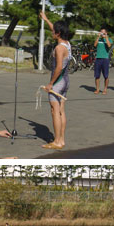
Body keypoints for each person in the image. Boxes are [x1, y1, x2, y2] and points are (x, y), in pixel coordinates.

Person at [40, 12, 71, 150]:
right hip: (65, 81)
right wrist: (47, 20)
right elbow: (56, 28)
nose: (52, 32)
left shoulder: (59, 48)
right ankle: (61, 140)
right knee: (61, 111)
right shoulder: (67, 43)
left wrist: (50, 83)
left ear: (58, 33)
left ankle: (57, 141)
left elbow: (58, 67)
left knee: (54, 110)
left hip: (58, 82)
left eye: (53, 31)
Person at [93, 28, 113, 95]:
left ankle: (105, 89)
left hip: (105, 59)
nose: (102, 34)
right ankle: (97, 89)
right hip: (98, 58)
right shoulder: (98, 39)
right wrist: (98, 37)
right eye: (101, 32)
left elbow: (109, 45)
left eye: (104, 33)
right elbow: (95, 45)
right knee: (97, 76)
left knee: (106, 76)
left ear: (106, 33)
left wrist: (106, 37)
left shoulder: (109, 39)